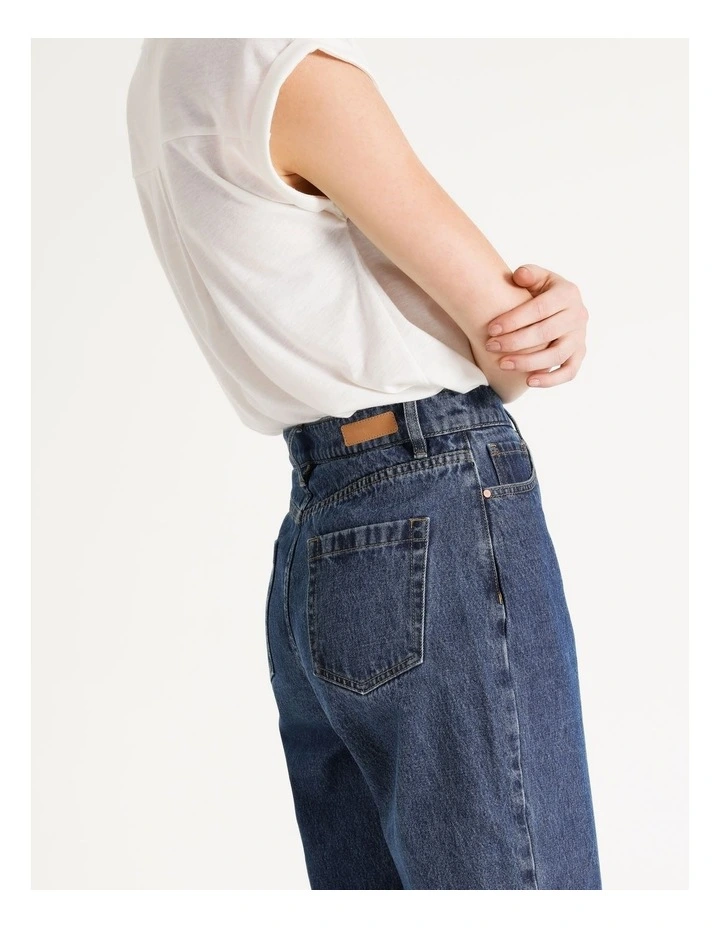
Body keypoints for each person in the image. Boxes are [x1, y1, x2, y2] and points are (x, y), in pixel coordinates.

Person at [126, 38, 601, 890]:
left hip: (318, 530)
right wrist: (551, 318)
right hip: (433, 487)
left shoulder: (167, 72)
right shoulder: (284, 69)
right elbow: (511, 346)